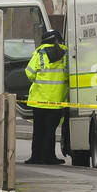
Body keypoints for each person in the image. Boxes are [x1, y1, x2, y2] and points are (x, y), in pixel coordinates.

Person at [25, 29, 68, 165]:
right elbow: (69, 75)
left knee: (38, 130)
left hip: (39, 100)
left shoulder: (39, 54)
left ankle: (36, 157)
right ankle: (49, 157)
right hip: (56, 100)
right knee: (51, 130)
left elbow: (29, 73)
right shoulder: (66, 54)